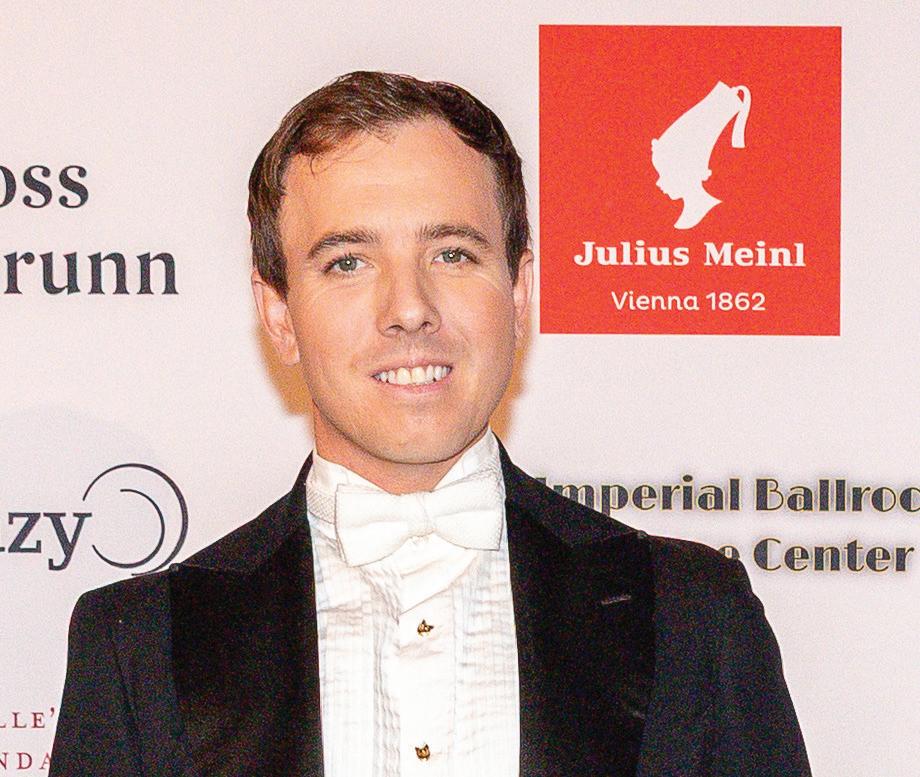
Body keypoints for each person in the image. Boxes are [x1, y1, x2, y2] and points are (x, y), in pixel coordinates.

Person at [50, 71, 810, 777]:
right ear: (278, 313)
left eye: (451, 253)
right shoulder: (138, 644)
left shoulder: (693, 615)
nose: (409, 308)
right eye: (348, 262)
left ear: (518, 291)